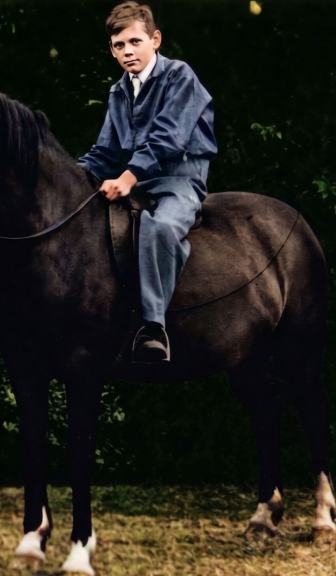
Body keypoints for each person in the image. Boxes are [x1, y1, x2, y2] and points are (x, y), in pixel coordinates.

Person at [78, 1, 218, 363]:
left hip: (179, 178)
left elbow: (169, 138)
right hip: (137, 179)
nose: (127, 51)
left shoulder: (180, 76)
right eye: (118, 45)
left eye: (135, 42)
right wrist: (72, 178)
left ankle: (153, 328)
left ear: (155, 39)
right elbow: (104, 152)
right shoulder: (118, 91)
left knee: (161, 227)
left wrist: (127, 176)